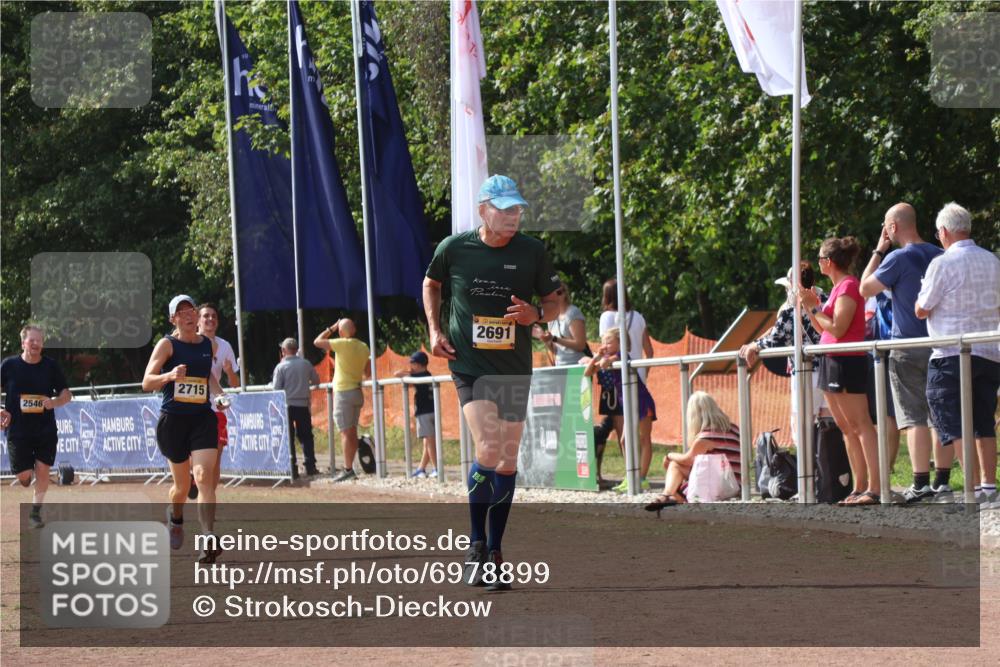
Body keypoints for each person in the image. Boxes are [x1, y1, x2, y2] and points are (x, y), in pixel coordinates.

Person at [423, 174, 561, 591]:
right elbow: (432, 283)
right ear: (484, 210)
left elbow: (557, 301)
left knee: (507, 459)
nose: (514, 216)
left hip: (514, 367)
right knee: (487, 446)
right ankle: (475, 544)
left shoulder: (532, 252)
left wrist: (535, 316)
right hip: (469, 365)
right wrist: (434, 330)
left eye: (517, 209)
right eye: (505, 209)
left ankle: (496, 550)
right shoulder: (454, 248)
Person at [860, 202, 952, 502]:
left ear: (893, 227)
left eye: (887, 225)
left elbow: (865, 289)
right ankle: (943, 481)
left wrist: (878, 250)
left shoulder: (898, 258)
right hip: (941, 345)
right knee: (941, 416)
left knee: (914, 418)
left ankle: (920, 482)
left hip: (907, 347)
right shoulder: (941, 254)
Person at [916, 202, 1000, 503]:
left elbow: (922, 308)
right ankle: (989, 486)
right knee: (983, 421)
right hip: (990, 351)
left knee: (953, 422)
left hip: (951, 352)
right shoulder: (993, 260)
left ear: (944, 232)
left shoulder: (942, 263)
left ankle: (973, 487)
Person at [142, 295, 226, 561]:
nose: (189, 314)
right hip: (174, 422)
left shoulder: (207, 345)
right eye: (182, 312)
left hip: (202, 418)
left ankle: (207, 538)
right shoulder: (167, 345)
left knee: (203, 476)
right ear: (173, 319)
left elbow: (208, 376)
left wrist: (220, 395)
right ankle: (175, 516)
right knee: (181, 488)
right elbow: (146, 382)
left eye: (191, 309)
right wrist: (169, 376)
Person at [799, 237, 882, 506]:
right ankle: (859, 486)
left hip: (847, 361)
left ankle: (875, 487)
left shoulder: (848, 286)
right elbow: (823, 328)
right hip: (830, 359)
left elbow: (838, 328)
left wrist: (813, 306)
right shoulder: (837, 288)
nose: (818, 263)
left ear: (829, 262)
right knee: (846, 428)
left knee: (861, 425)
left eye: (821, 258)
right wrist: (809, 305)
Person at [739, 262, 828, 442]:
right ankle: (829, 469)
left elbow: (776, 338)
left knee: (801, 430)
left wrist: (754, 346)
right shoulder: (825, 299)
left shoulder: (791, 309)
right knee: (827, 428)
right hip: (830, 368)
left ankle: (808, 468)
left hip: (805, 373)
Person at [0, 325, 72, 528]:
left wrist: (54, 402)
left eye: (39, 341)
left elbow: (67, 394)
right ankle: (26, 473)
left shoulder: (50, 366)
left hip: (45, 430)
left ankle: (35, 513)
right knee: (24, 478)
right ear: (23, 343)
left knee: (42, 470)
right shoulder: (9, 365)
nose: (36, 344)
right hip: (17, 430)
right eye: (32, 340)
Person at [598, 279, 656, 490]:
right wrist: (644, 373)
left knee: (626, 434)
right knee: (639, 436)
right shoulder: (639, 317)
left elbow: (606, 347)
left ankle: (632, 475)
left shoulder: (606, 317)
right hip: (638, 379)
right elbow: (649, 351)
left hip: (618, 381)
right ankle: (638, 477)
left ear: (607, 297)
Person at [583, 328, 655, 492]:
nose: (605, 345)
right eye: (603, 342)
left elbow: (608, 362)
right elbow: (587, 372)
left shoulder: (621, 356)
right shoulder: (607, 357)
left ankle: (641, 478)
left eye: (609, 342)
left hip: (641, 400)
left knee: (644, 438)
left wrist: (603, 360)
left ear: (620, 342)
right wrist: (597, 356)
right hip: (627, 403)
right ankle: (631, 476)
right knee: (624, 440)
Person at [644, 391, 740, 510]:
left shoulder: (705, 436)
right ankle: (672, 495)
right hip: (735, 484)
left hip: (720, 486)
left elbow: (688, 459)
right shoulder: (734, 429)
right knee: (679, 469)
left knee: (675, 465)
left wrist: (669, 455)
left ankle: (666, 495)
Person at [191, 303, 241, 499]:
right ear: (198, 320)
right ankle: (192, 478)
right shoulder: (187, 343)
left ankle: (208, 499)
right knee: (194, 459)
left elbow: (235, 384)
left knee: (216, 457)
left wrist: (229, 371)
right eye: (206, 316)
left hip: (215, 407)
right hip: (191, 407)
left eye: (214, 316)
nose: (210, 319)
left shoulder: (225, 346)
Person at [314, 319, 370, 482]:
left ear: (340, 332)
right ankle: (350, 467)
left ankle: (347, 469)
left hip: (343, 392)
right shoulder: (363, 346)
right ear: (355, 330)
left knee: (345, 433)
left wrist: (330, 327)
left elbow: (317, 342)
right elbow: (367, 371)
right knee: (352, 431)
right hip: (356, 391)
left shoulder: (341, 344)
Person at [273, 337, 321, 478]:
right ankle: (310, 466)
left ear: (283, 351)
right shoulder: (306, 364)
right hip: (303, 405)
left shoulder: (281, 367)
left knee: (289, 437)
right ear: (296, 350)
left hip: (287, 406)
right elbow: (316, 381)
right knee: (306, 436)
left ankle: (292, 468)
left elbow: (276, 388)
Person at [394, 351, 437, 478]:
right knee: (427, 441)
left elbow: (397, 374)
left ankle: (436, 468)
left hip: (424, 412)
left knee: (429, 441)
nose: (411, 366)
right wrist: (412, 372)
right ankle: (421, 469)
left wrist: (409, 373)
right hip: (432, 411)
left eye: (412, 363)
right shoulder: (427, 374)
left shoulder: (418, 377)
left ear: (418, 364)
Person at [533, 281, 588, 367]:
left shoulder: (573, 313)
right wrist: (543, 337)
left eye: (559, 292)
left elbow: (580, 345)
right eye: (553, 293)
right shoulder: (551, 316)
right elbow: (555, 350)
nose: (557, 296)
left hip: (577, 365)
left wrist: (554, 339)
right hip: (561, 366)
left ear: (565, 294)